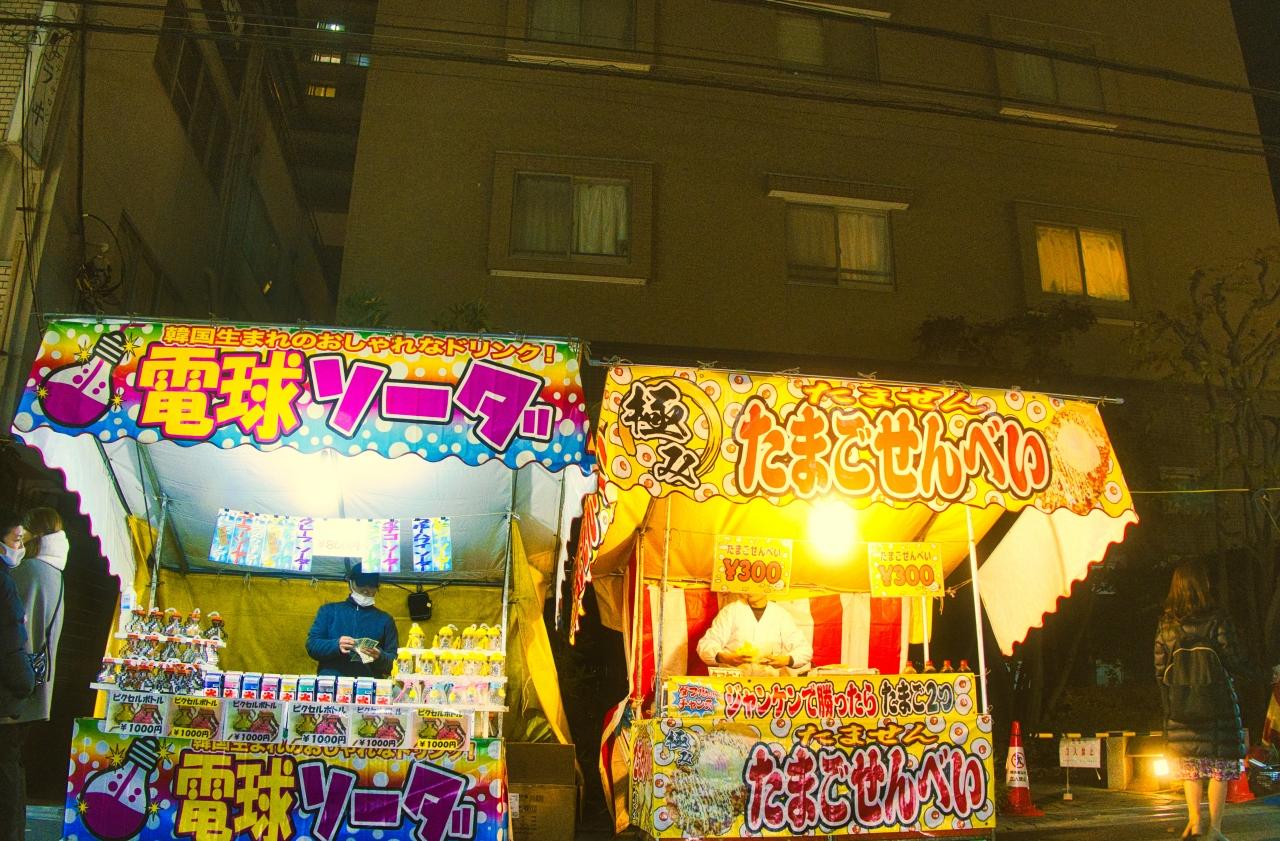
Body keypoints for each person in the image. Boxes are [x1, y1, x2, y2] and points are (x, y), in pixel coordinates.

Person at [1154, 562, 1272, 841]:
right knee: (1219, 767)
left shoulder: (1167, 624)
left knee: (1191, 767)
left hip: (1181, 706)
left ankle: (1195, 822)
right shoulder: (1217, 618)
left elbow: (1160, 670)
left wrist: (1169, 704)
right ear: (1203, 585)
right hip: (1218, 703)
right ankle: (1215, 829)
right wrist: (1265, 675)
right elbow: (1234, 659)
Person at [0, 513, 36, 841]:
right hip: (4, 702)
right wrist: (27, 681)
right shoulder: (4, 583)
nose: (20, 547)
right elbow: (11, 642)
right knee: (8, 776)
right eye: (16, 539)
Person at [306, 564, 398, 677]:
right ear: (351, 583)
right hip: (332, 683)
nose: (367, 589)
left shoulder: (385, 620)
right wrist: (336, 645)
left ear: (378, 586)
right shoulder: (329, 611)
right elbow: (312, 645)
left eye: (372, 585)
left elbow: (395, 662)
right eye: (361, 583)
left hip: (369, 685)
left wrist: (379, 656)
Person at [696, 592, 812, 672]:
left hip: (767, 688)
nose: (749, 589)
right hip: (733, 687)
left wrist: (787, 660)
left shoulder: (780, 615)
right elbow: (705, 645)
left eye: (755, 584)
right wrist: (724, 657)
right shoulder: (731, 611)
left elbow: (805, 650)